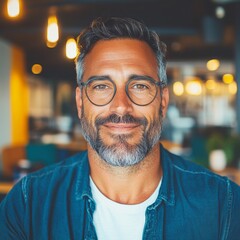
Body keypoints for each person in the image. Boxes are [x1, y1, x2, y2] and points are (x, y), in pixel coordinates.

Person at [0, 17, 240, 240]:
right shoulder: (27, 204)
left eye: (139, 86)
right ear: (80, 102)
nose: (122, 107)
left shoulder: (224, 206)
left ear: (163, 101)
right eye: (102, 86)